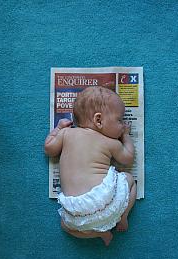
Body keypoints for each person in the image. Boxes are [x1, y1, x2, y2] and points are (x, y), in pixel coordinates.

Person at [44, 86, 136, 246]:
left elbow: (49, 149)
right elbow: (128, 158)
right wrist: (126, 136)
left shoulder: (66, 134)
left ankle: (98, 234)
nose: (122, 125)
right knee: (129, 180)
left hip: (75, 212)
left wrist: (58, 129)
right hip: (106, 201)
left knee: (65, 226)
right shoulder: (110, 142)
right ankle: (123, 215)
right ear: (98, 120)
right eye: (119, 120)